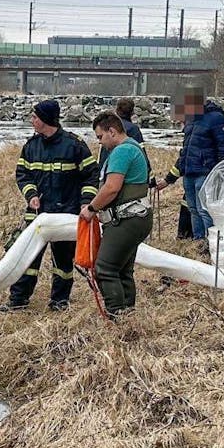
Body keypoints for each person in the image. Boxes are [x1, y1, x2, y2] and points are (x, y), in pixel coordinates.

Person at [3, 99, 97, 311]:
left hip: (66, 215)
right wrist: (31, 195)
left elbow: (91, 177)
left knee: (63, 263)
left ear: (45, 120)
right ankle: (18, 301)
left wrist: (85, 204)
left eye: (35, 117)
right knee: (26, 260)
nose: (31, 120)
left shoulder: (75, 145)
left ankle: (59, 302)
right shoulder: (31, 146)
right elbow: (22, 174)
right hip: (36, 214)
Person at [83, 112, 153, 317]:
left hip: (126, 220)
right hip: (138, 218)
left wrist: (91, 209)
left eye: (100, 137)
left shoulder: (121, 152)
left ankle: (117, 316)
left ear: (112, 131)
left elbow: (112, 188)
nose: (100, 143)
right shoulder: (134, 147)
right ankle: (129, 314)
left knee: (104, 268)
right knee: (122, 270)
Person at [157, 88, 224, 246]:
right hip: (190, 173)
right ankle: (199, 241)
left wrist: (220, 175)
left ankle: (211, 244)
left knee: (204, 210)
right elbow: (185, 154)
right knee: (193, 209)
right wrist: (168, 180)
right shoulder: (191, 121)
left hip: (205, 173)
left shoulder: (216, 118)